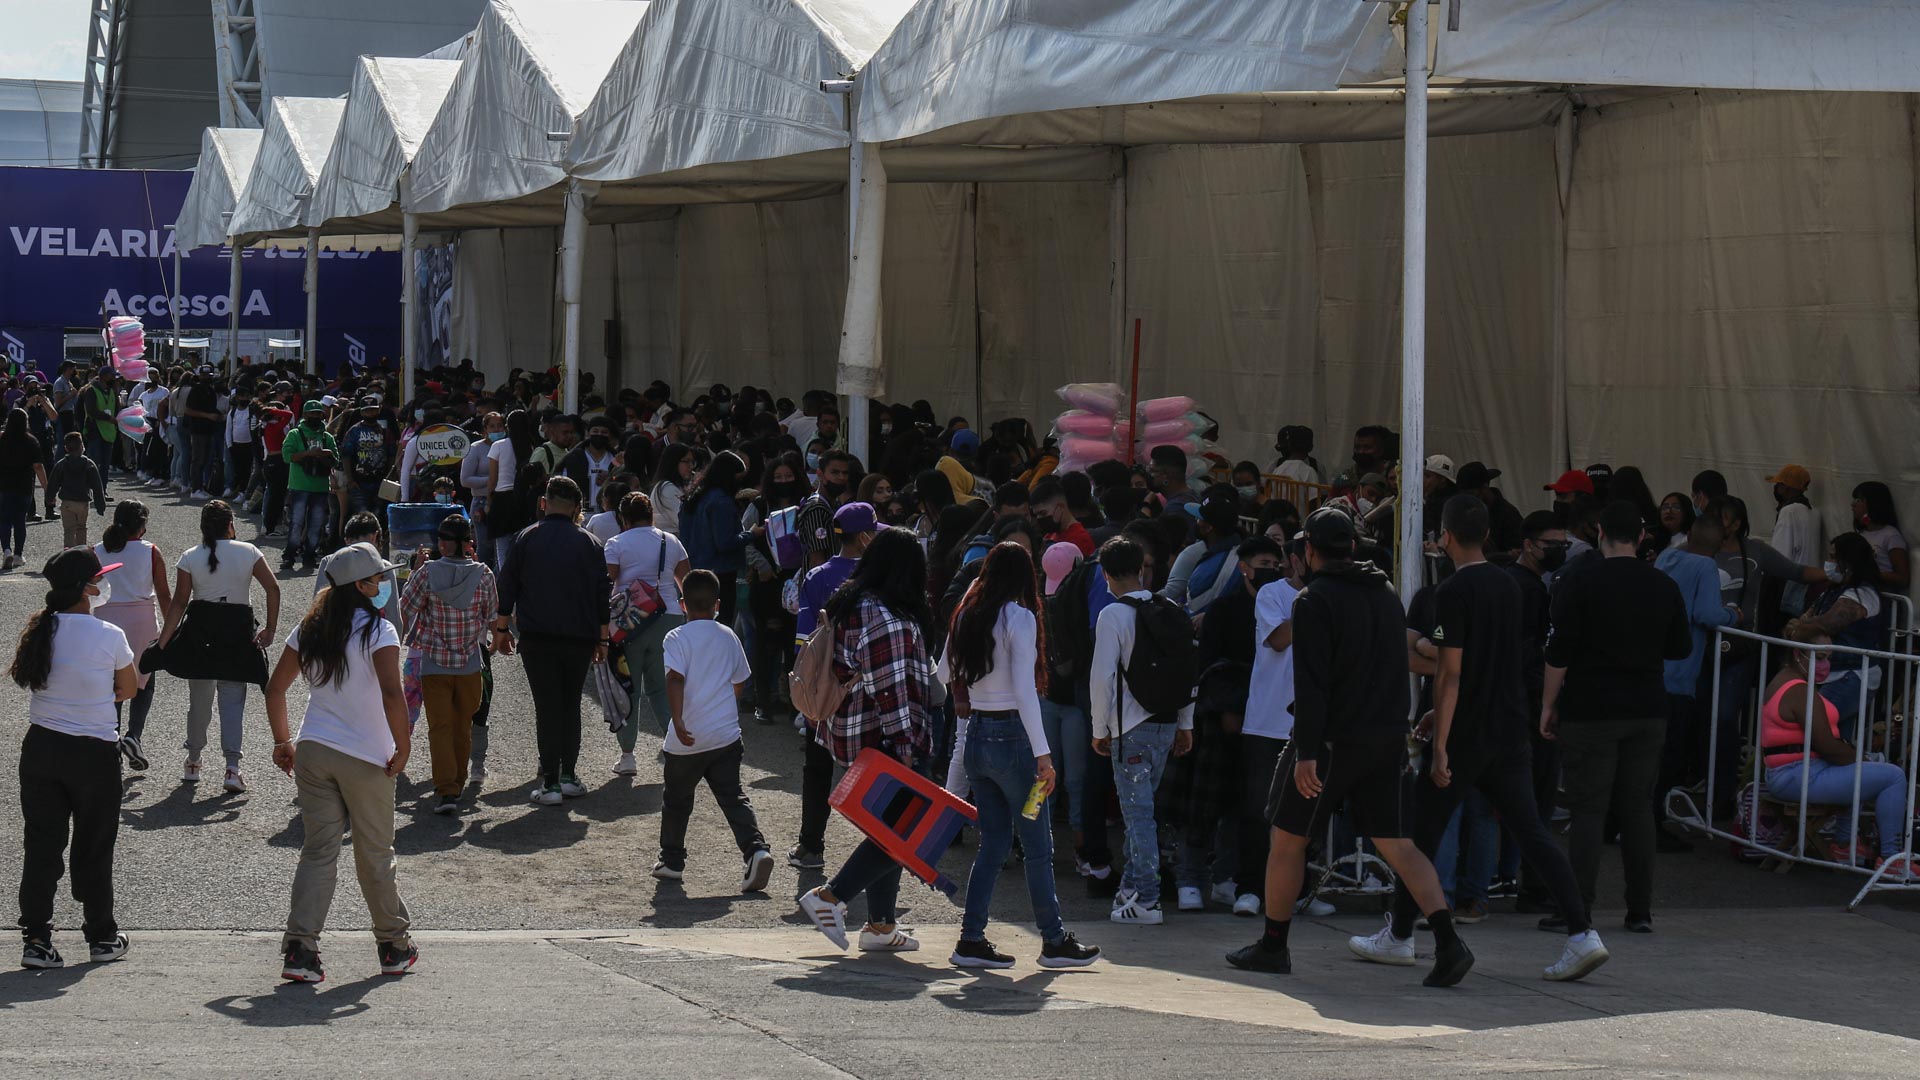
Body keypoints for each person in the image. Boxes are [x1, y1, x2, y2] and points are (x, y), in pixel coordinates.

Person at [1352, 496, 1608, 982]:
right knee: (1530, 831)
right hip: (1509, 726)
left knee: (1419, 836)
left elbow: (1450, 674)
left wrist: (1441, 741)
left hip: (1467, 732)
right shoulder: (1511, 586)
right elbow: (1489, 664)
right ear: (1487, 536)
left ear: (1445, 537)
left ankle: (1401, 934)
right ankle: (1582, 933)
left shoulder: (1452, 591)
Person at [1225, 508, 1470, 985]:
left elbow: (1312, 681)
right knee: (1399, 844)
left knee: (1287, 840)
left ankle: (1273, 945)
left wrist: (1309, 752)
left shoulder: (1314, 600)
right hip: (1385, 737)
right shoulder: (1386, 593)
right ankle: (1448, 941)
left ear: (1309, 553)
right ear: (1353, 548)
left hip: (1332, 742)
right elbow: (1398, 662)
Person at [939, 542, 1101, 970]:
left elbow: (941, 673)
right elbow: (1027, 691)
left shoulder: (966, 614)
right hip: (1015, 742)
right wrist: (1044, 757)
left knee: (992, 845)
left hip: (975, 736)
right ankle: (1052, 941)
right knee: (1038, 847)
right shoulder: (1021, 617)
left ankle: (971, 939)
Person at [264, 542, 417, 984]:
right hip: (366, 755)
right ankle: (393, 945)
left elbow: (276, 689)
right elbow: (392, 693)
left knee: (318, 852)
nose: (382, 583)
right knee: (375, 853)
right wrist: (403, 746)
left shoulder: (308, 628)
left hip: (313, 748)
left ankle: (301, 949)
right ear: (362, 585)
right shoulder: (379, 630)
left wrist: (281, 741)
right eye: (377, 578)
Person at [1543, 501, 1692, 934]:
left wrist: (1548, 705)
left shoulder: (1579, 580)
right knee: (1637, 809)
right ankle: (1640, 909)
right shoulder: (1663, 585)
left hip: (1590, 708)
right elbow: (1679, 648)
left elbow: (1559, 651)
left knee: (1588, 809)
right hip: (1647, 707)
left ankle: (1579, 908)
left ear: (1600, 531)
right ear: (1642, 537)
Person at [797, 528, 936, 953]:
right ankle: (830, 897)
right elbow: (892, 690)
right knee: (901, 834)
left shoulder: (851, 601)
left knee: (888, 829)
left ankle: (880, 927)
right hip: (885, 740)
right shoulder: (886, 617)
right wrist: (908, 749)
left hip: (849, 734)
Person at [10, 547, 136, 970]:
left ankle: (37, 940)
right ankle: (101, 935)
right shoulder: (110, 636)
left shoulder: (41, 630)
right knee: (94, 846)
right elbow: (128, 689)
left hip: (42, 748)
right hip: (94, 753)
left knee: (42, 845)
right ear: (86, 589)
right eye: (98, 578)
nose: (103, 584)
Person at [1089, 536, 1195, 926]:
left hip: (1128, 727)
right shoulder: (1171, 610)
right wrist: (1186, 722)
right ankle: (1131, 890)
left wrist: (1099, 728)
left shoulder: (1113, 616)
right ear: (1141, 568)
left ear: (1105, 575)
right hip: (1166, 722)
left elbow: (1101, 678)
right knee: (1143, 811)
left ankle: (1147, 900)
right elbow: (1188, 670)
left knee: (1138, 817)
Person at [1760, 620, 1916, 877]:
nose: (1826, 665)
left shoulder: (1789, 679)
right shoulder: (1799, 690)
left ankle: (1845, 844)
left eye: (1829, 657)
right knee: (1893, 776)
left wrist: (1859, 760)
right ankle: (1892, 859)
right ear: (1799, 654)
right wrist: (1861, 757)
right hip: (1798, 775)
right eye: (1820, 657)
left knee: (1864, 770)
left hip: (1795, 772)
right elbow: (1827, 746)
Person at [654, 569, 775, 891]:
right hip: (725, 735)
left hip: (688, 738)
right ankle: (756, 850)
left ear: (683, 605)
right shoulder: (728, 635)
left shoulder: (676, 638)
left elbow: (674, 678)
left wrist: (678, 720)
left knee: (677, 800)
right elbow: (739, 681)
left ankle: (672, 860)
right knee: (733, 797)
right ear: (718, 604)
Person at [494, 476, 611, 806]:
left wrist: (502, 631)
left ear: (544, 503)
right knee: (570, 704)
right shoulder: (589, 543)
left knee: (547, 707)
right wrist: (603, 640)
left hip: (537, 636)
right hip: (580, 636)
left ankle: (550, 782)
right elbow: (603, 595)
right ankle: (569, 775)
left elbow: (508, 587)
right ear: (577, 508)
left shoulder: (527, 538)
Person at [155, 500, 280, 792]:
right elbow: (272, 588)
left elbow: (179, 603)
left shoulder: (189, 557)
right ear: (230, 525)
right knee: (233, 700)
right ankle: (232, 768)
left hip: (202, 636)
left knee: (199, 701)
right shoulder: (249, 552)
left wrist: (163, 642)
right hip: (237, 634)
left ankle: (193, 761)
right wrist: (270, 629)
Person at [787, 502, 878, 870]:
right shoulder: (878, 577)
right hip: (871, 692)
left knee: (818, 768)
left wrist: (804, 699)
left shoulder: (817, 576)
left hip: (826, 692)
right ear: (864, 537)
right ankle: (884, 846)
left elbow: (804, 642)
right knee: (872, 771)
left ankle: (811, 847)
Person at [400, 514, 496, 814]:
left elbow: (407, 606)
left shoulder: (427, 573)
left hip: (434, 663)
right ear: (467, 543)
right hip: (469, 663)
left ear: (446, 543)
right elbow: (492, 616)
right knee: (462, 727)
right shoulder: (483, 575)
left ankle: (446, 790)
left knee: (439, 728)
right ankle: (458, 780)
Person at [1653, 514, 1735, 848]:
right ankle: (1654, 825)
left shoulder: (1666, 556)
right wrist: (1734, 615)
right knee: (1669, 756)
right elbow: (1707, 614)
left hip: (1653, 667)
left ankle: (1624, 820)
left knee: (1647, 753)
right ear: (1716, 546)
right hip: (1680, 673)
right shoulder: (1705, 568)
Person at [604, 491, 691, 774]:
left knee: (628, 687)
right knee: (663, 687)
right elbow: (686, 581)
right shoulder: (671, 541)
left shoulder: (615, 543)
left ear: (623, 519)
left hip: (628, 624)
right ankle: (675, 747)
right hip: (668, 618)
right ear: (651, 514)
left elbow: (608, 580)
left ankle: (627, 756)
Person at [94, 500, 170, 773]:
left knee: (112, 685)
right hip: (142, 623)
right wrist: (172, 631)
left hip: (106, 622)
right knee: (144, 682)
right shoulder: (150, 551)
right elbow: (163, 594)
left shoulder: (96, 551)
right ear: (141, 527)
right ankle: (133, 736)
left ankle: (112, 740)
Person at [1800, 532, 1885, 724]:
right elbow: (1807, 618)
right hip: (1833, 675)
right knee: (1832, 738)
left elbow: (1826, 623)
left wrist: (1800, 628)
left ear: (1848, 562)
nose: (1828, 563)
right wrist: (1803, 626)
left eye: (1832, 557)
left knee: (1818, 731)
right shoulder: (1834, 589)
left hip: (1851, 676)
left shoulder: (1862, 594)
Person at [281, 400, 339, 573]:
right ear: (305, 415)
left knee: (316, 524)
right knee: (296, 523)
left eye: (318, 413)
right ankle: (289, 556)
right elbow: (287, 456)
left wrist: (326, 454)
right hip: (299, 485)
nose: (315, 416)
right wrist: (308, 454)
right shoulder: (295, 434)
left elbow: (336, 460)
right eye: (311, 413)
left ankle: (309, 556)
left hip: (320, 486)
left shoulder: (326, 437)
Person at [0, 407, 51, 570]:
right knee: (20, 520)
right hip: (23, 486)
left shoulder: (2, 439)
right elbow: (37, 466)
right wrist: (46, 487)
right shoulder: (31, 441)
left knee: (5, 520)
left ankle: (6, 550)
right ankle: (18, 555)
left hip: (4, 485)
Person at [1767, 464, 1821, 616]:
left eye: (1778, 484)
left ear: (1786, 487)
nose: (1776, 488)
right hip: (1809, 582)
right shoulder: (1814, 512)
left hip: (1789, 583)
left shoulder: (1788, 511)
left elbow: (1779, 556)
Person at [485, 409, 537, 568]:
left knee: (502, 549)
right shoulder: (532, 447)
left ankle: (503, 584)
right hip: (522, 500)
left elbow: (492, 479)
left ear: (508, 426)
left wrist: (488, 501)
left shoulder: (498, 446)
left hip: (501, 500)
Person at [47, 431, 106, 548]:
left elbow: (53, 482)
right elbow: (97, 486)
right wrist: (100, 505)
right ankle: (81, 551)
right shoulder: (89, 464)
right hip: (83, 502)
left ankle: (68, 552)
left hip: (67, 502)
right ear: (82, 446)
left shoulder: (62, 464)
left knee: (69, 530)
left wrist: (50, 498)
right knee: (81, 527)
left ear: (66, 448)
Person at [462, 411, 504, 564]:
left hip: (502, 501)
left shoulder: (506, 446)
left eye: (500, 426)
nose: (497, 430)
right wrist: (491, 480)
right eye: (492, 426)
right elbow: (465, 480)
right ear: (485, 429)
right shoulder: (476, 448)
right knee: (485, 547)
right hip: (481, 502)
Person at [1851, 481, 1909, 591]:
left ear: (1873, 504)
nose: (1853, 504)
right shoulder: (1861, 534)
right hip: (1860, 592)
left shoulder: (1891, 535)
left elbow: (1902, 578)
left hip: (1881, 596)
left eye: (1858, 500)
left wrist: (1870, 574)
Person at [650, 444, 698, 535]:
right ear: (673, 462)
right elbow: (684, 521)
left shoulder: (677, 486)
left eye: (692, 462)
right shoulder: (666, 489)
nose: (691, 466)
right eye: (686, 461)